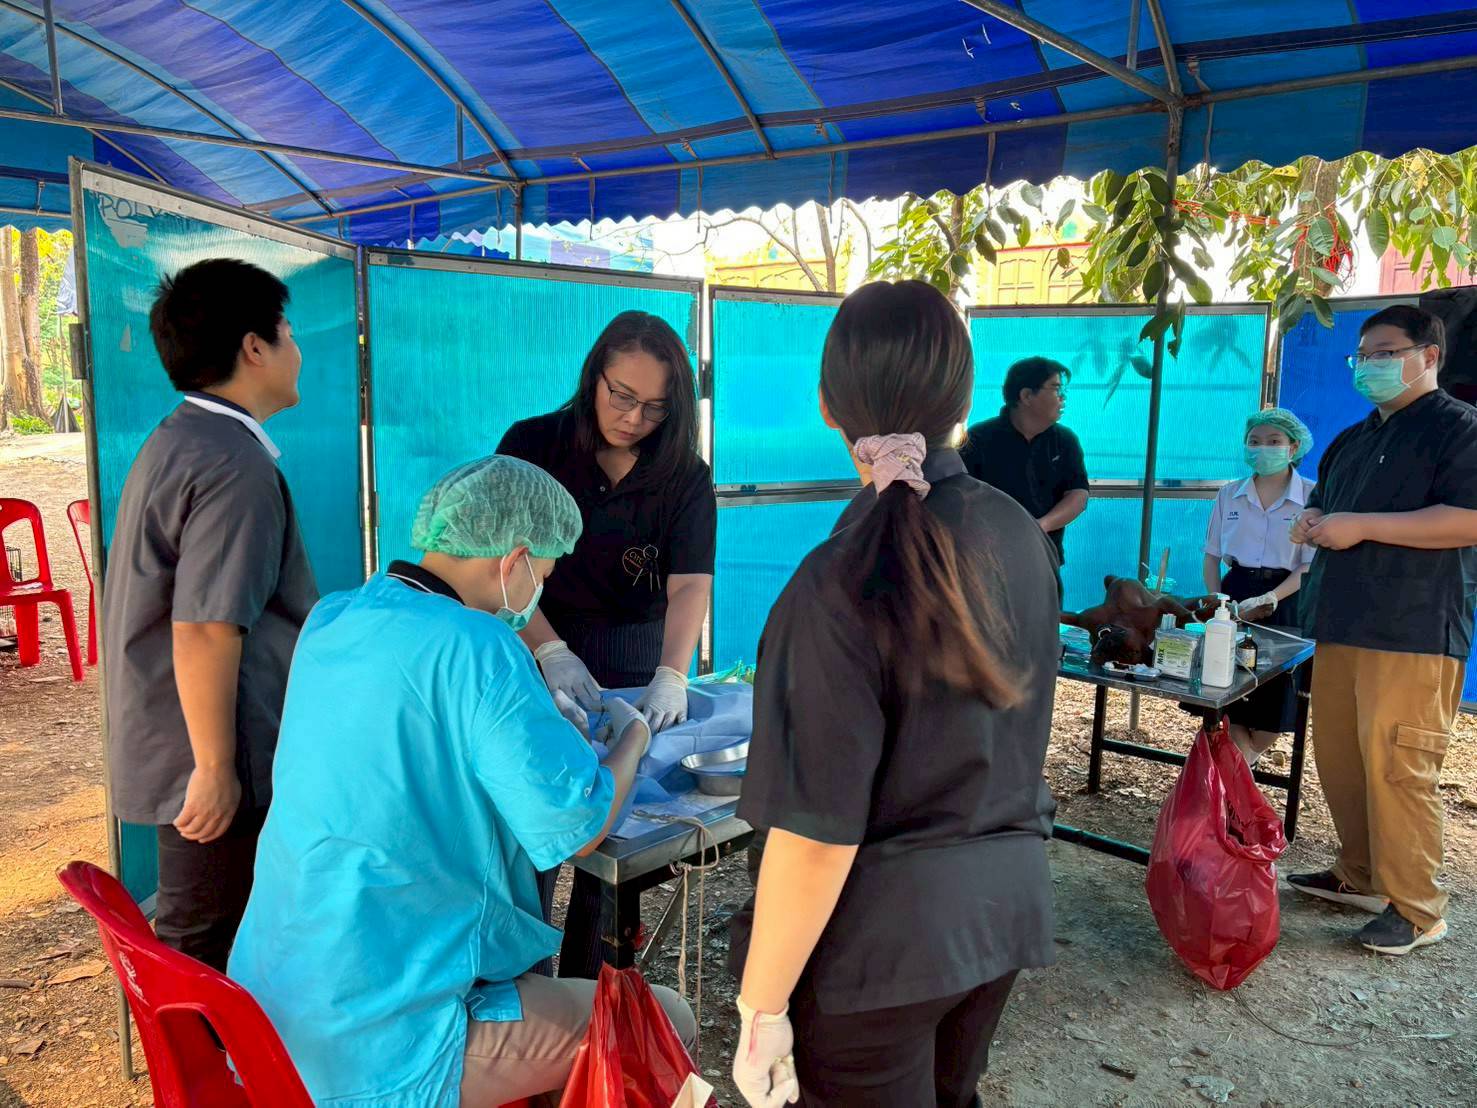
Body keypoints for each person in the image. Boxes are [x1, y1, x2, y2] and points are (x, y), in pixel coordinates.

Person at [228, 456, 695, 1106]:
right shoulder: (480, 644)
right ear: (516, 560)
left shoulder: (336, 616)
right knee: (666, 1019)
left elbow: (402, 748)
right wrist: (634, 738)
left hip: (273, 997)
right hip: (381, 1030)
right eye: (544, 575)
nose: (538, 594)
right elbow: (577, 826)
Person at [728, 281, 1061, 1107]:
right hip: (1000, 912)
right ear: (962, 403)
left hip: (879, 946)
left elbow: (814, 835)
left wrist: (759, 1009)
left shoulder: (837, 578)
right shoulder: (1016, 531)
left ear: (825, 404)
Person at [101, 258, 317, 973]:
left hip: (185, 738)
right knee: (205, 943)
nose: (296, 349)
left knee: (205, 929)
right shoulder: (233, 465)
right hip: (214, 749)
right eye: (287, 331)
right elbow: (205, 626)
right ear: (254, 347)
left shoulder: (183, 439)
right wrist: (217, 766)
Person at [497, 310, 716, 977]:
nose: (633, 418)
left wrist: (671, 672)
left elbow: (689, 584)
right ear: (594, 376)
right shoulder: (533, 445)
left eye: (655, 407)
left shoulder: (683, 473)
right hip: (536, 638)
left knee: (614, 824)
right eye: (622, 395)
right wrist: (549, 650)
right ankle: (520, 983)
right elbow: (502, 566)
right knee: (530, 821)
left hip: (633, 654)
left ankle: (589, 987)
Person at [1289, 304, 1477, 956]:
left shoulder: (1459, 430)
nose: (1369, 365)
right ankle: (1361, 873)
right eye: (1362, 355)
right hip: (1342, 619)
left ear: (1429, 356)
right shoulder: (1354, 437)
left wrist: (1364, 526)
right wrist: (1312, 518)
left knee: (1399, 766)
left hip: (1412, 627)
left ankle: (1417, 908)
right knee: (1343, 759)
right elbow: (1328, 504)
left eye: (1385, 352)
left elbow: (1469, 520)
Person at [1198, 407, 1316, 764]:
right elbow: (1211, 557)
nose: (1263, 448)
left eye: (1274, 441)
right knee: (1224, 686)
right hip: (1233, 596)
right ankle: (1239, 777)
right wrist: (1220, 602)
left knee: (1275, 702)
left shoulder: (1311, 495)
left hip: (1287, 597)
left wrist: (1271, 597)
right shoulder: (1229, 494)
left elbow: (1309, 564)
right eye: (1254, 441)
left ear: (1293, 447)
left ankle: (1238, 770)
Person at [959, 355, 1088, 594]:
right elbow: (959, 501)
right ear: (1026, 395)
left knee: (1046, 617)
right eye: (1056, 389)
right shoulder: (978, 440)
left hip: (1044, 557)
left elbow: (1078, 494)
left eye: (1063, 390)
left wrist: (1040, 526)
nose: (1063, 397)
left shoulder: (1064, 440)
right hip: (987, 562)